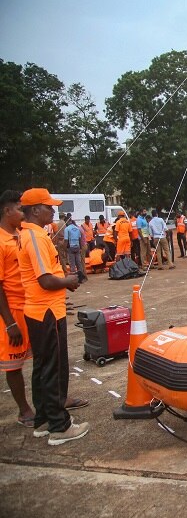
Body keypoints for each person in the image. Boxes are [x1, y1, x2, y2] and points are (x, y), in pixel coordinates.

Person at [17, 188, 89, 445]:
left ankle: (45, 420)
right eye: (48, 207)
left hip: (42, 311)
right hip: (45, 311)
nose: (53, 210)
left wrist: (64, 282)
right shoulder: (34, 237)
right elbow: (45, 280)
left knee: (43, 368)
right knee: (53, 369)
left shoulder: (33, 234)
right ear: (35, 210)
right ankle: (60, 426)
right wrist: (67, 280)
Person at [0, 190, 35, 427]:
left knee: (40, 358)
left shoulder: (22, 235)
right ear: (7, 211)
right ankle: (24, 410)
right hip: (12, 312)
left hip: (31, 306)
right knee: (14, 364)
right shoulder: (1, 241)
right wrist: (10, 322)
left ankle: (52, 400)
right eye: (20, 209)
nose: (23, 213)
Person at [63, 216, 87, 283]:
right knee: (78, 263)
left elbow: (66, 240)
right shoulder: (77, 228)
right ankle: (81, 279)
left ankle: (74, 280)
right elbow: (79, 239)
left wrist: (65, 249)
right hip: (77, 246)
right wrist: (80, 248)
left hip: (71, 247)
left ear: (67, 222)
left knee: (72, 264)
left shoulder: (67, 229)